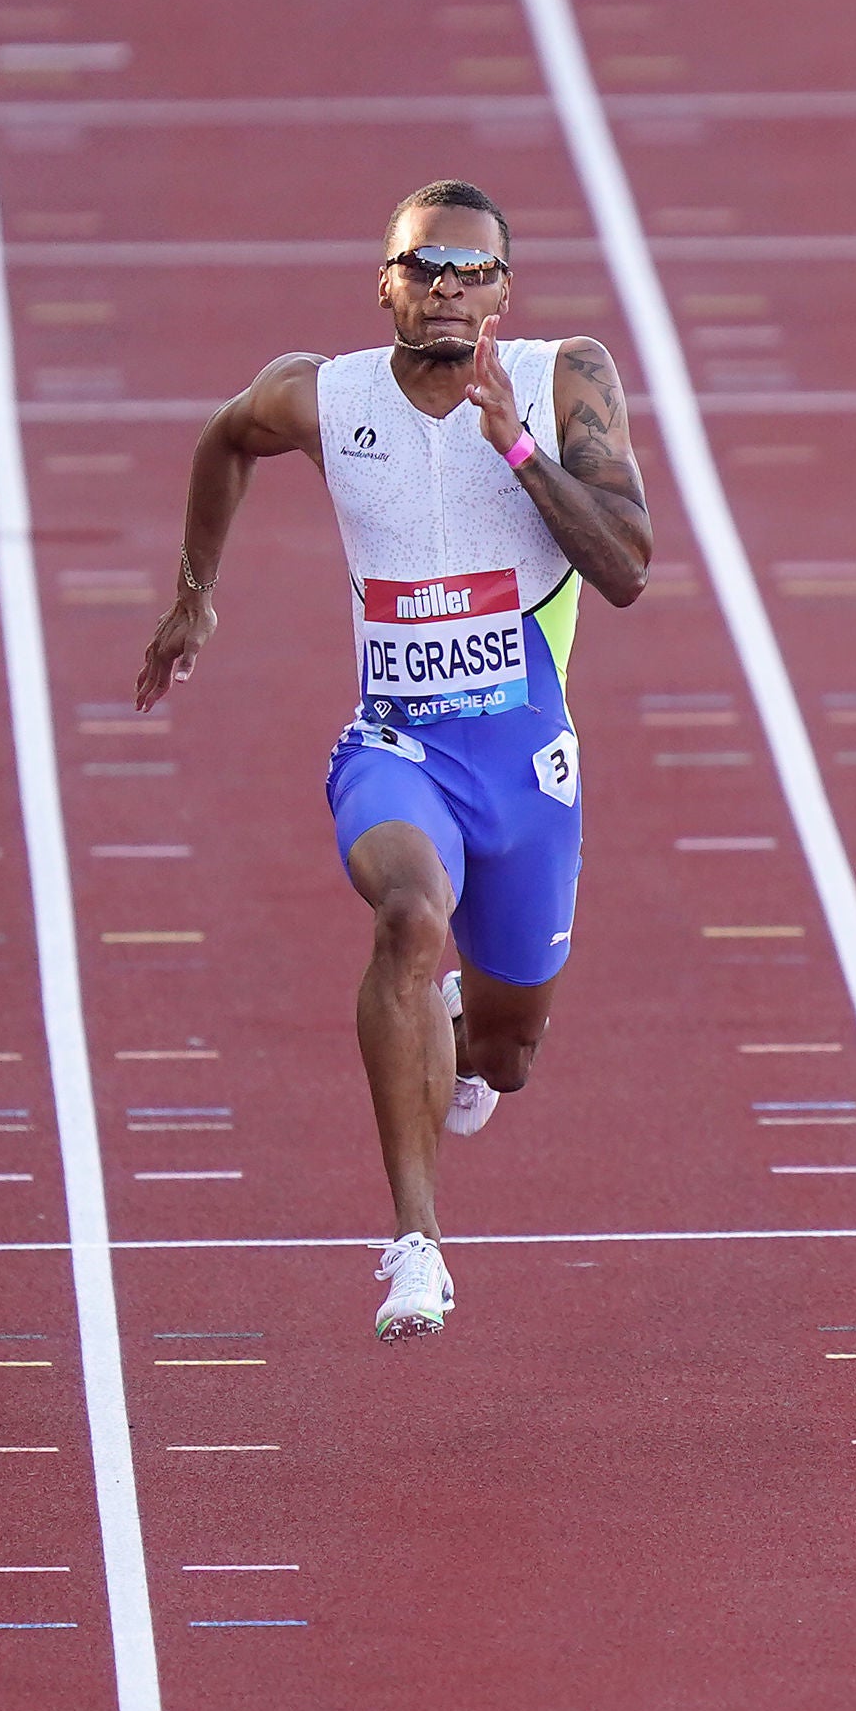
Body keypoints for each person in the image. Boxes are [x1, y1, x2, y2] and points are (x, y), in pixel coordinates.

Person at [135, 180, 649, 1340]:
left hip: (523, 763)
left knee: (509, 1059)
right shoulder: (324, 395)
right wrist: (195, 596)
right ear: (385, 283)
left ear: (505, 292)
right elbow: (224, 437)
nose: (448, 290)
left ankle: (457, 1045)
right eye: (425, 268)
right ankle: (416, 1243)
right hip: (396, 746)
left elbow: (625, 567)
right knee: (409, 917)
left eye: (473, 272)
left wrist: (512, 440)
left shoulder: (569, 377)